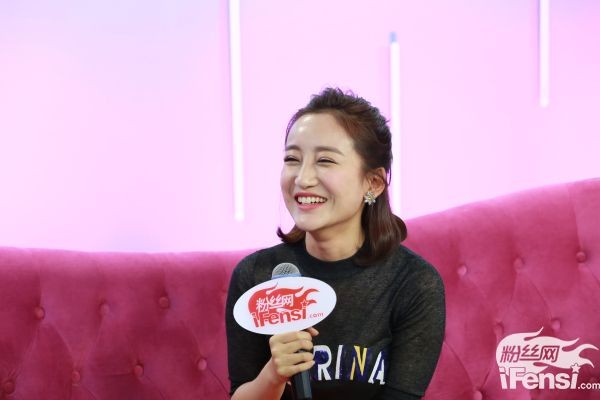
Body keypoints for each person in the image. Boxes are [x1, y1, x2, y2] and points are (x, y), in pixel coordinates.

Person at [225, 87, 445, 400]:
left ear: (373, 183)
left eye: (325, 160)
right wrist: (273, 375)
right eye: (292, 159)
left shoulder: (413, 284)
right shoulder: (256, 275)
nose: (302, 178)